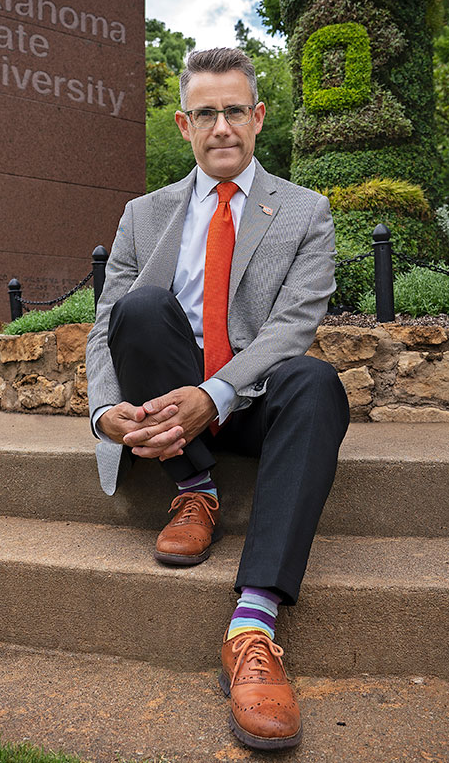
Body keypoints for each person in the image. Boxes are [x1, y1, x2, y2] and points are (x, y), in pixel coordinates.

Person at [86, 47, 349, 751]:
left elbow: (294, 325)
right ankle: (196, 488)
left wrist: (218, 391)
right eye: (207, 113)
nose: (223, 126)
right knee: (138, 310)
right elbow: (105, 324)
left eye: (236, 110)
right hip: (168, 412)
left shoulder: (305, 211)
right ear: (184, 124)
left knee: (317, 381)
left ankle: (253, 625)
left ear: (258, 117)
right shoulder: (146, 216)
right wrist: (103, 412)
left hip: (252, 401)